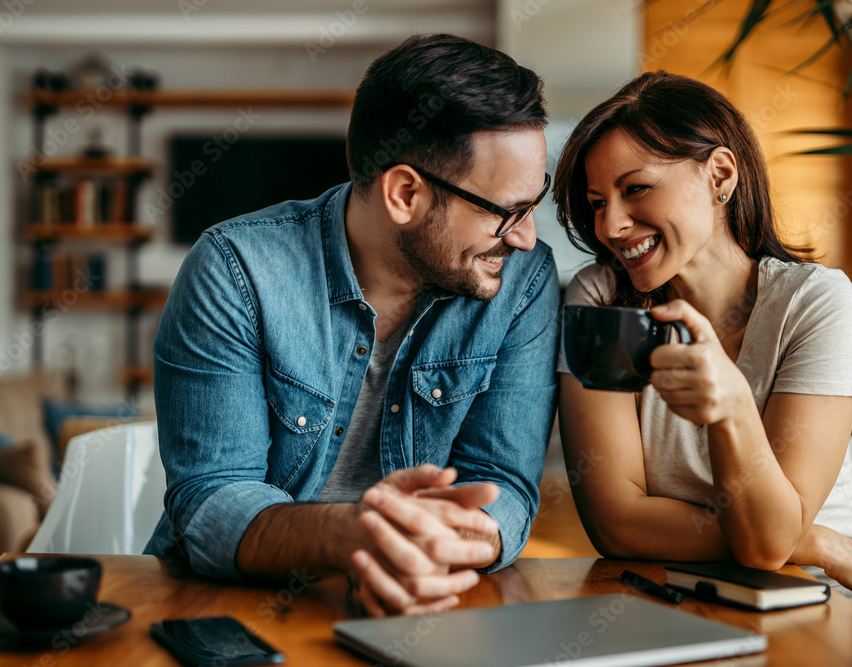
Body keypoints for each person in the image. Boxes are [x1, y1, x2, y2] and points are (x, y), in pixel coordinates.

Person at [144, 34, 560, 618]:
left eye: (534, 203)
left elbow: (502, 483)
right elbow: (212, 500)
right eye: (506, 212)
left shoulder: (522, 280)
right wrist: (352, 535)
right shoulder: (236, 271)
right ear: (405, 194)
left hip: (435, 603)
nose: (526, 238)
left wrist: (424, 549)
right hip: (228, 609)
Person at [553, 71, 852, 662]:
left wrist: (733, 407)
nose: (610, 226)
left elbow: (767, 542)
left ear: (720, 175)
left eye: (635, 189)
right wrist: (821, 543)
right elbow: (617, 522)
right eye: (596, 204)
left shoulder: (814, 302)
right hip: (697, 613)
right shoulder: (601, 300)